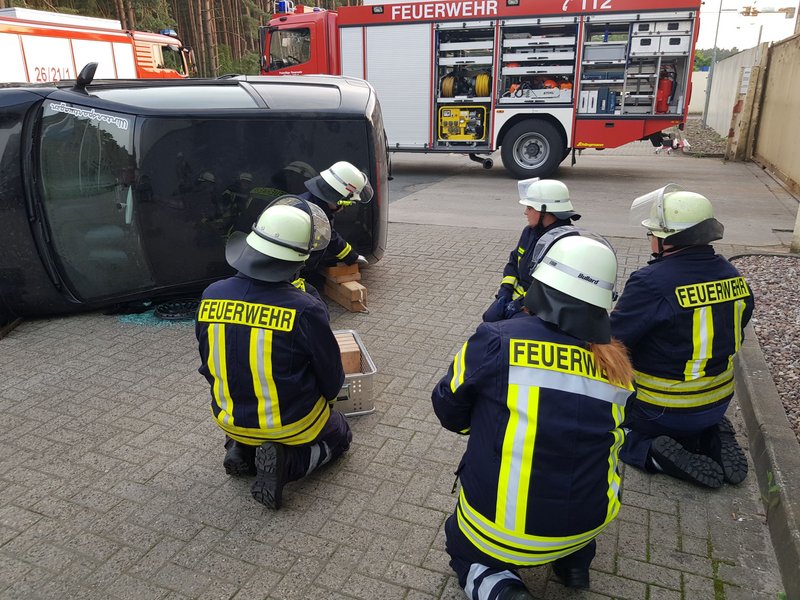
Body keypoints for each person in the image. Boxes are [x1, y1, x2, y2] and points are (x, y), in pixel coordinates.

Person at [432, 232, 635, 599]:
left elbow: (448, 407)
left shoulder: (495, 338)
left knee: (457, 540)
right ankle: (574, 564)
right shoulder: (616, 364)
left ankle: (500, 586)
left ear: (541, 283)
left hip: (500, 529)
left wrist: (480, 426)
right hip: (588, 523)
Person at [195, 196, 352, 509]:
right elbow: (330, 372)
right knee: (340, 434)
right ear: (298, 260)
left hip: (228, 416)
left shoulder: (211, 295)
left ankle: (239, 447)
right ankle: (290, 463)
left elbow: (206, 363)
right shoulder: (305, 307)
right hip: (292, 423)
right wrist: (331, 401)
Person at [611, 185, 754, 489]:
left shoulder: (650, 283)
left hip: (657, 412)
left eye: (653, 232)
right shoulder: (733, 276)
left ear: (668, 239)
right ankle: (711, 435)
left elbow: (612, 340)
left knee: (603, 425)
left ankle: (651, 454)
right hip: (717, 402)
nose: (650, 238)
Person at [483, 178, 581, 323]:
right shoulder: (530, 232)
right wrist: (505, 292)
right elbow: (513, 262)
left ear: (545, 211)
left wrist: (518, 305)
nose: (525, 212)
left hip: (542, 311)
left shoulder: (567, 243)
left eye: (529, 208)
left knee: (501, 332)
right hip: (516, 300)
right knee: (489, 318)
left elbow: (551, 290)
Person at [299, 160, 373, 271]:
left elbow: (329, 237)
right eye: (347, 204)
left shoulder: (314, 208)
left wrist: (352, 257)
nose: (344, 209)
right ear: (336, 198)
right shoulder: (306, 216)